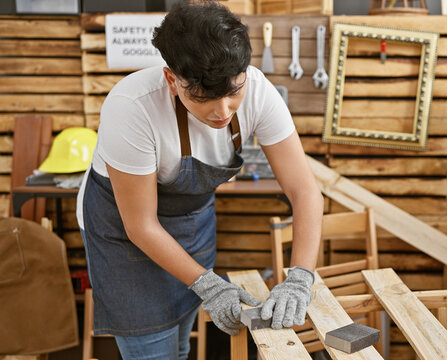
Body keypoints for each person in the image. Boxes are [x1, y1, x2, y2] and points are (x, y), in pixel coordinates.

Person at [76, 2, 324, 359]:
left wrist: (300, 277)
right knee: (153, 349)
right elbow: (141, 225)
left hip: (191, 220)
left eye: (234, 92)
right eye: (204, 97)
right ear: (172, 80)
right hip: (123, 230)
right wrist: (208, 284)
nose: (223, 111)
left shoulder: (257, 89)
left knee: (179, 344)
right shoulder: (133, 107)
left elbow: (304, 191)